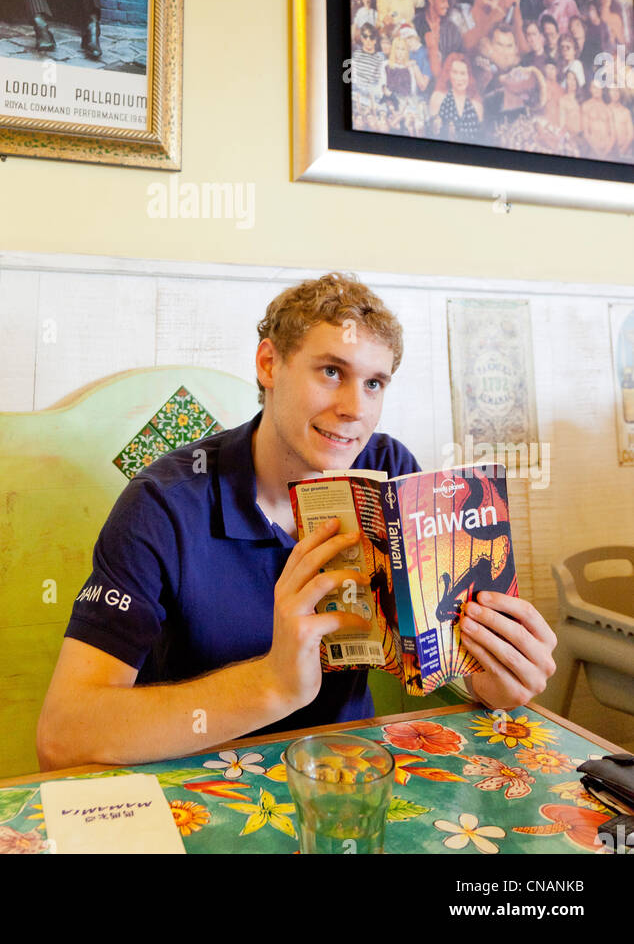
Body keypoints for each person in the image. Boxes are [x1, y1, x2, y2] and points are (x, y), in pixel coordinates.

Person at [36, 273, 557, 769]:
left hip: (347, 772)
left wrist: (489, 681)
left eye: (375, 383)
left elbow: (432, 659)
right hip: (195, 784)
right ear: (269, 364)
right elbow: (63, 736)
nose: (355, 408)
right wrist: (273, 684)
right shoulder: (165, 506)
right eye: (332, 372)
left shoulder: (389, 475)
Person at [428, 52, 483, 142]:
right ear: (448, 74)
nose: (459, 78)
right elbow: (430, 134)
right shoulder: (438, 98)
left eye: (463, 73)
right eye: (455, 72)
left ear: (469, 76)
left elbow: (480, 139)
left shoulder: (477, 105)